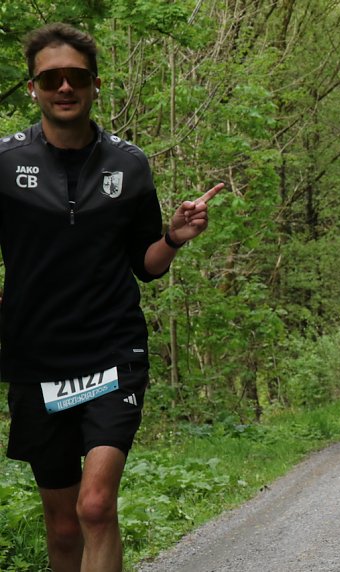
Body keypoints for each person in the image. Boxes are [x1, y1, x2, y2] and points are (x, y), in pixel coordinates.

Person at [1, 23, 224, 572]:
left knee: (96, 507)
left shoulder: (129, 164)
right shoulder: (4, 163)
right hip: (35, 360)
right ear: (32, 88)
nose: (64, 87)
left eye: (77, 77)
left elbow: (145, 266)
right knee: (61, 526)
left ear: (96, 85)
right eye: (50, 78)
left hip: (112, 353)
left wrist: (174, 237)